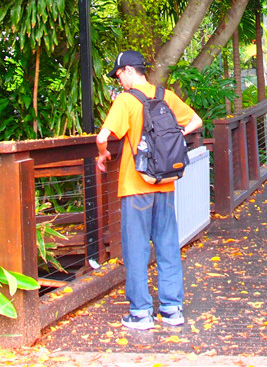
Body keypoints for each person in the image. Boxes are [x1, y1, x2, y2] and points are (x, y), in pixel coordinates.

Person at [95, 50, 203, 330]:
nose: (119, 81)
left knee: (136, 248)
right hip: (165, 182)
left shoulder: (126, 100)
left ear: (130, 70)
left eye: (119, 75)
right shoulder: (163, 95)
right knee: (167, 244)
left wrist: (102, 155)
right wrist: (178, 136)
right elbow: (195, 121)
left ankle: (141, 312)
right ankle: (171, 309)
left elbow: (102, 136)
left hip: (136, 185)